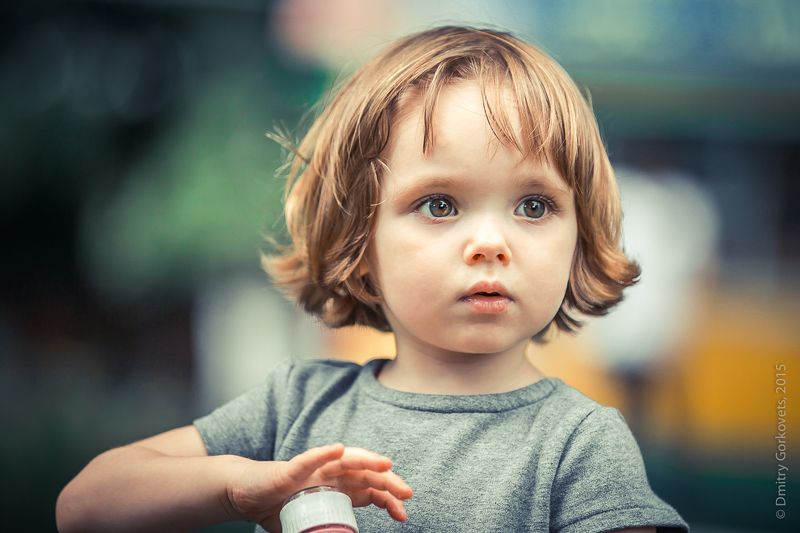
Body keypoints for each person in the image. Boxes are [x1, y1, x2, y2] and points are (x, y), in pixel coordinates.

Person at [56, 26, 689, 532]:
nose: (492, 243)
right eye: (439, 204)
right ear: (361, 244)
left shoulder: (579, 445)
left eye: (534, 205)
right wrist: (237, 487)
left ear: (578, 238)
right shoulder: (300, 407)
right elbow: (84, 506)